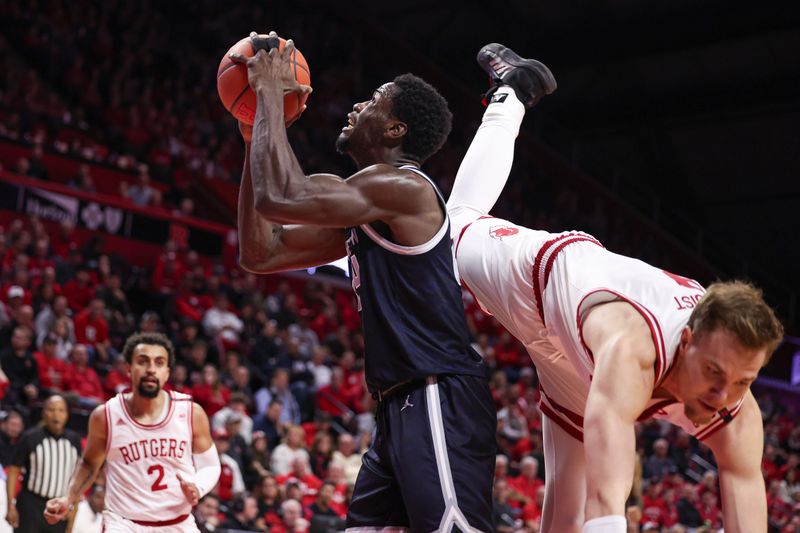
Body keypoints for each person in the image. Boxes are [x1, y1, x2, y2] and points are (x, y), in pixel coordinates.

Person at [445, 43, 784, 532]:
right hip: (542, 285)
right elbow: (607, 506)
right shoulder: (633, 353)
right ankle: (512, 94)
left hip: (582, 368)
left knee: (561, 523)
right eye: (714, 371)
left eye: (743, 381)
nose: (723, 392)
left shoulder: (738, 413)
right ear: (686, 341)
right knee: (452, 225)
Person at [233, 31, 495, 532]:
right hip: (397, 407)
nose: (358, 103)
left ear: (395, 129)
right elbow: (261, 251)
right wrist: (252, 138)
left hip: (437, 393)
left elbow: (281, 196)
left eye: (374, 100)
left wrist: (267, 91)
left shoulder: (401, 188)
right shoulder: (368, 208)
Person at [42, 332, 221, 532]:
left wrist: (198, 486)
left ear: (167, 372)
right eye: (143, 362)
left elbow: (210, 465)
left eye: (159, 363)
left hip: (177, 522)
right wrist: (69, 498)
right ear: (128, 368)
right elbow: (89, 463)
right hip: (124, 524)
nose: (151, 369)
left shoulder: (190, 412)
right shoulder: (106, 415)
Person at [6, 395, 81, 533]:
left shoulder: (75, 441)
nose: (56, 414)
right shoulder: (30, 437)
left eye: (60, 410)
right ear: (43, 413)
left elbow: (77, 479)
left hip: (59, 507)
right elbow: (14, 471)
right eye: (51, 409)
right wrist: (10, 506)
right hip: (31, 505)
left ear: (67, 414)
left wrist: (73, 510)